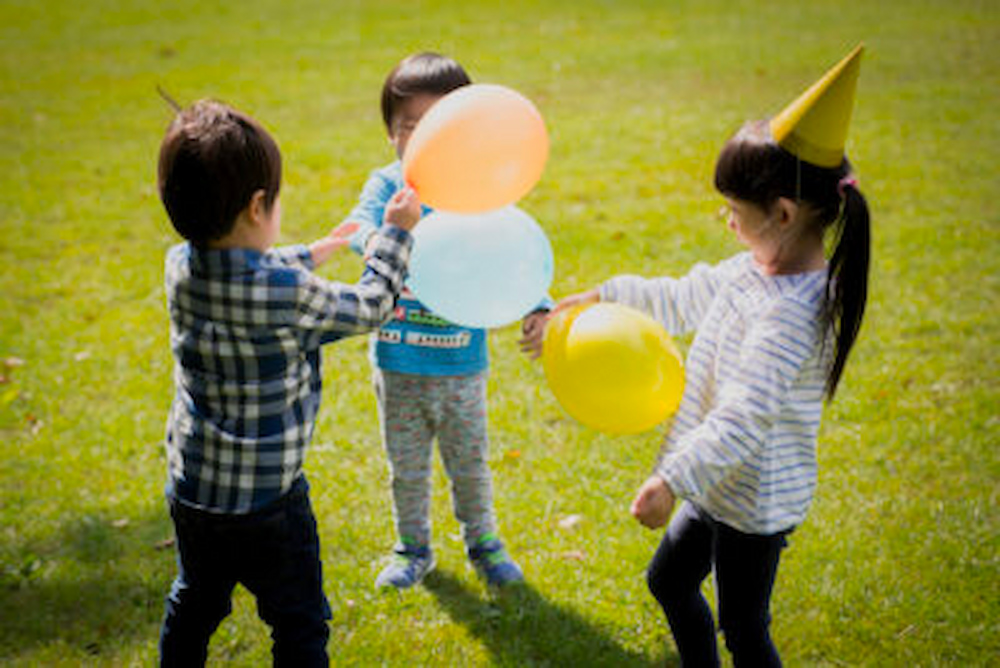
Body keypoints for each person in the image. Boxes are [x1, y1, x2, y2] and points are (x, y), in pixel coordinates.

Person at [547, 46, 869, 666]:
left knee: (745, 630)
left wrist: (672, 478)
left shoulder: (790, 314)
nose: (726, 222)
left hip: (752, 501)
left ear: (782, 213)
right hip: (714, 479)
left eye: (734, 211)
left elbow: (744, 416)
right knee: (668, 581)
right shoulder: (755, 268)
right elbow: (683, 295)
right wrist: (605, 296)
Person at [156, 98, 421, 666]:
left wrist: (314, 251)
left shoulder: (180, 265)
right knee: (298, 620)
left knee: (196, 600)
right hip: (267, 503)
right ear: (258, 206)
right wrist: (395, 235)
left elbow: (252, 269)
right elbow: (371, 306)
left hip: (194, 490)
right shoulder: (285, 293)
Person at [339, 52, 547, 590]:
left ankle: (484, 542)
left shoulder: (476, 191)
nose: (421, 138)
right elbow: (356, 230)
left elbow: (511, 253)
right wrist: (389, 232)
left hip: (460, 363)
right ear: (390, 131)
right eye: (409, 126)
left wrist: (537, 303)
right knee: (406, 469)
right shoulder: (389, 187)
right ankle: (412, 549)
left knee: (470, 465)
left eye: (436, 125)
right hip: (399, 362)